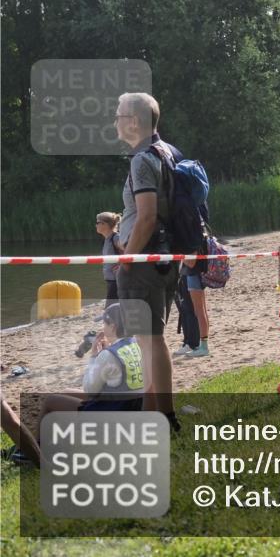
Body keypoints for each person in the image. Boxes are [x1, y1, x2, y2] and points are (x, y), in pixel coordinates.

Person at [114, 91, 181, 429]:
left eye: (119, 115)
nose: (115, 122)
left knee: (151, 341)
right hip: (166, 259)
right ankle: (150, 414)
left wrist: (127, 257)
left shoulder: (142, 159)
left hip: (144, 263)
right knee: (150, 340)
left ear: (134, 121)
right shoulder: (169, 152)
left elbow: (147, 216)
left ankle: (165, 418)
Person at [40, 303, 145, 422]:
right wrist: (107, 351)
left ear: (113, 327)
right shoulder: (138, 344)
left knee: (51, 401)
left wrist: (94, 356)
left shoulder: (108, 355)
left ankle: (38, 437)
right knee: (65, 393)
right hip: (134, 406)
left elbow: (90, 390)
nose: (103, 328)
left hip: (115, 412)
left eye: (104, 324)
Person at [175, 259, 210, 358]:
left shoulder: (192, 249)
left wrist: (180, 257)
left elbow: (191, 263)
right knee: (201, 311)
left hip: (194, 274)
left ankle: (204, 347)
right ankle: (203, 345)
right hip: (197, 273)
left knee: (199, 311)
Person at [95, 211, 123, 308]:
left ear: (105, 224)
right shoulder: (107, 239)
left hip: (117, 280)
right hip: (111, 279)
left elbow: (128, 250)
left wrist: (121, 265)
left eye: (97, 222)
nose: (96, 225)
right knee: (113, 307)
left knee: (110, 308)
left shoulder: (116, 238)